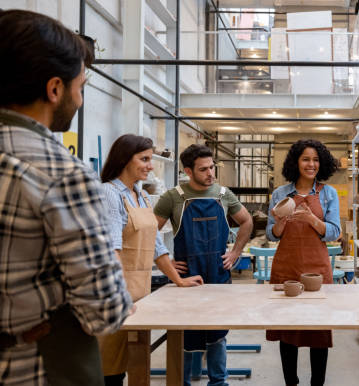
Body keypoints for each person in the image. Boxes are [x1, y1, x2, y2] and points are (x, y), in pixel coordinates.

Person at [0, 9, 132, 385]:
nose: (79, 98)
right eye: (81, 86)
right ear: (54, 88)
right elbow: (105, 312)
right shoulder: (61, 174)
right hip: (37, 368)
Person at [98, 134, 204, 385]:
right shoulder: (110, 193)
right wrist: (119, 297)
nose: (150, 165)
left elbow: (157, 247)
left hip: (139, 293)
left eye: (150, 159)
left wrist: (179, 280)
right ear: (124, 159)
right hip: (115, 294)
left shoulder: (142, 195)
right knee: (108, 369)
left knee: (129, 362)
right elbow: (110, 250)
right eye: (144, 159)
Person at [154, 144, 253, 386]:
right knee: (187, 334)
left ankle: (219, 382)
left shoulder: (223, 194)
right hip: (186, 278)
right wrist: (166, 262)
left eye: (212, 167)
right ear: (188, 171)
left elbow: (247, 221)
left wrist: (235, 253)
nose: (211, 174)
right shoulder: (173, 197)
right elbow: (149, 233)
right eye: (203, 169)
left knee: (217, 334)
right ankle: (183, 381)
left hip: (218, 274)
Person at [266, 139, 342, 386]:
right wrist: (280, 224)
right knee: (287, 328)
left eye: (316, 160)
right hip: (286, 265)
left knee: (318, 329)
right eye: (306, 159)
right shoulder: (280, 193)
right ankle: (291, 382)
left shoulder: (328, 193)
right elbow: (271, 233)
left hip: (317, 266)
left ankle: (317, 383)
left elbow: (334, 232)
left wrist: (311, 218)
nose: (311, 164)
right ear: (296, 162)